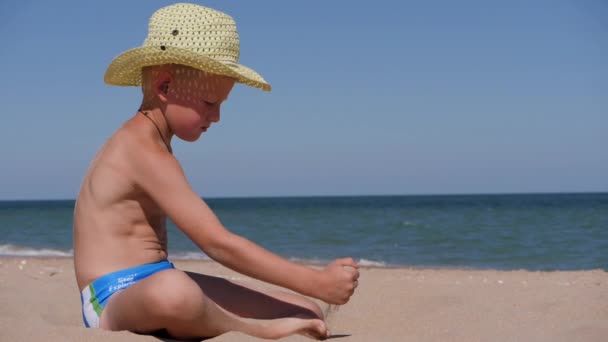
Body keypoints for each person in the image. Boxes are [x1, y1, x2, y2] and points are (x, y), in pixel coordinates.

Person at [72, 3, 359, 340]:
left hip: (158, 276)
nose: (217, 117)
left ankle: (228, 318)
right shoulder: (138, 148)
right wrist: (317, 281)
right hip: (112, 297)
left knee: (307, 310)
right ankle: (254, 331)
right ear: (164, 87)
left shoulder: (155, 142)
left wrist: (313, 293)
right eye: (210, 103)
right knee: (176, 292)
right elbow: (217, 243)